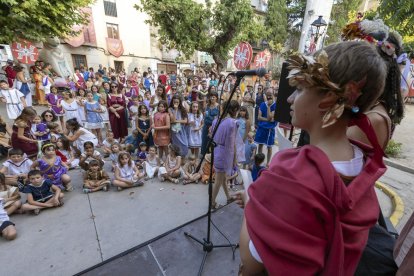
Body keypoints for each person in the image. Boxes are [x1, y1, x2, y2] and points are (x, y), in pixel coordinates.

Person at [237, 41, 388, 275]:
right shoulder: (361, 163)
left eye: (299, 89)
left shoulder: (292, 175)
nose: (289, 99)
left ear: (328, 98)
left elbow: (251, 261)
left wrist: (251, 203)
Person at [210, 100, 240, 210]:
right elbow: (232, 143)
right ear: (235, 110)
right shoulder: (233, 123)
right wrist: (234, 159)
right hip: (225, 152)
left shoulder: (215, 120)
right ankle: (212, 203)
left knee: (221, 178)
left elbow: (212, 135)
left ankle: (228, 197)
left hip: (216, 150)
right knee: (219, 179)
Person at [254, 89, 277, 165]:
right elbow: (259, 117)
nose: (269, 96)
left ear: (273, 95)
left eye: (270, 95)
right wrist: (268, 119)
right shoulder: (262, 104)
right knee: (260, 145)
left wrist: (269, 107)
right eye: (267, 95)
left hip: (270, 129)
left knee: (269, 147)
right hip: (261, 128)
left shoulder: (275, 105)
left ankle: (268, 163)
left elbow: (270, 117)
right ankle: (259, 162)